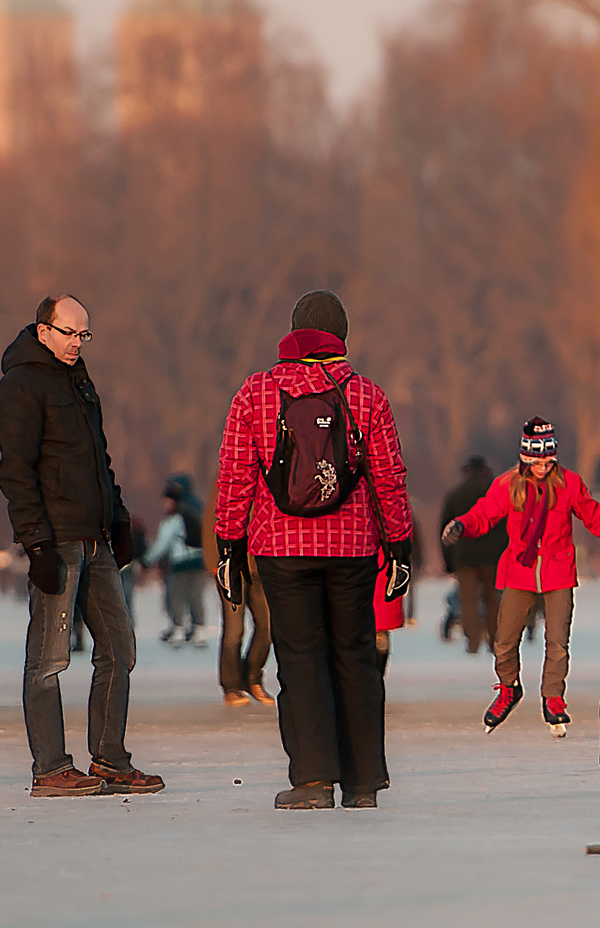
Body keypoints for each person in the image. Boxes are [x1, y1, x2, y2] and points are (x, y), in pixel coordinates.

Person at [213, 290, 413, 810]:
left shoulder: (255, 392)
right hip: (352, 549)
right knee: (356, 657)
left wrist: (229, 547)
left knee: (300, 660)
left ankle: (313, 780)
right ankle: (364, 781)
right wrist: (400, 546)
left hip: (282, 548)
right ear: (340, 336)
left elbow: (235, 475)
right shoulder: (366, 394)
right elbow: (388, 477)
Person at [0, 294, 160, 798]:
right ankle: (50, 768)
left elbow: (98, 458)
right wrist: (37, 544)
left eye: (84, 335)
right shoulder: (20, 385)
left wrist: (118, 517)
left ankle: (110, 758)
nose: (76, 343)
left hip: (96, 540)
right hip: (57, 541)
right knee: (49, 658)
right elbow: (16, 472)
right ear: (43, 330)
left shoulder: (80, 380)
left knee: (118, 649)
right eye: (69, 333)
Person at [445, 417, 600, 736]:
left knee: (557, 642)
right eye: (535, 459)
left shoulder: (569, 484)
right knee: (504, 640)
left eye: (546, 459)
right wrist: (462, 525)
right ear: (525, 457)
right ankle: (509, 689)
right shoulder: (508, 484)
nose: (540, 465)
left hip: (557, 571)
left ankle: (553, 698)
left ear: (554, 457)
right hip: (518, 571)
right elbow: (485, 512)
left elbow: (595, 517)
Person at [440, 456, 505, 655]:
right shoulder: (497, 493)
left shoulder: (455, 495)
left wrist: (449, 561)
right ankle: (495, 641)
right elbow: (508, 527)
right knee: (493, 600)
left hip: (464, 557)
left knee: (468, 602)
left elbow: (444, 530)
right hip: (494, 557)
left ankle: (473, 642)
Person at [215, 525, 275, 708]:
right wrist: (213, 561)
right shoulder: (225, 494)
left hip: (262, 564)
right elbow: (213, 519)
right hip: (232, 564)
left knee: (269, 626)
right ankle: (231, 686)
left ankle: (252, 677)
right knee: (234, 630)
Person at [148, 475, 208, 648]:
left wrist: (147, 560)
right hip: (198, 560)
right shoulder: (195, 508)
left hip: (180, 563)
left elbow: (162, 544)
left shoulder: (173, 519)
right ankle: (198, 631)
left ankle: (179, 629)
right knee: (196, 597)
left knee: (177, 597)